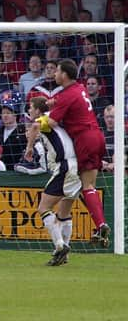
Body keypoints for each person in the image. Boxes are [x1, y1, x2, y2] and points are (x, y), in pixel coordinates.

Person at [39, 58, 110, 247]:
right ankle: (100, 225)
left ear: (64, 74)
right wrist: (54, 102)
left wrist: (37, 121)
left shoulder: (67, 95)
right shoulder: (79, 89)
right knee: (89, 187)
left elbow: (52, 123)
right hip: (97, 136)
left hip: (84, 140)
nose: (54, 74)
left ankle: (101, 224)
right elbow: (65, 102)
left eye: (57, 71)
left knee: (86, 187)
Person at [24, 96, 81, 266]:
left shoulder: (45, 119)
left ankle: (59, 246)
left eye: (31, 107)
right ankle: (64, 254)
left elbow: (35, 126)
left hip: (65, 166)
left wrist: (29, 148)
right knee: (64, 212)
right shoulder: (56, 120)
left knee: (43, 207)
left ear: (38, 110)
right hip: (76, 165)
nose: (29, 111)